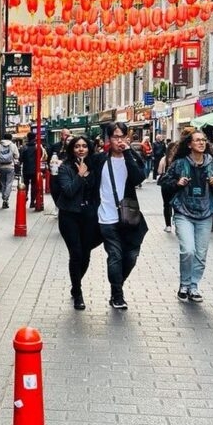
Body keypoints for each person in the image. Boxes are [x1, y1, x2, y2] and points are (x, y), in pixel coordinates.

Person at [93, 122, 148, 310]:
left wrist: (128, 154)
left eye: (122, 136)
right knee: (115, 255)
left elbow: (138, 178)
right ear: (109, 138)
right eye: (115, 137)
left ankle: (117, 286)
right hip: (106, 217)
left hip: (129, 216)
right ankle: (117, 295)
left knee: (131, 256)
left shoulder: (132, 157)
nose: (119, 140)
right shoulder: (99, 159)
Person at [164, 131, 213, 303]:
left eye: (204, 140)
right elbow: (165, 183)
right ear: (189, 144)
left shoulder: (212, 163)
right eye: (197, 140)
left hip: (205, 213)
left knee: (201, 253)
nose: (201, 143)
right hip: (184, 212)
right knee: (188, 249)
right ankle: (184, 284)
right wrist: (177, 183)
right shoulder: (180, 164)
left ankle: (194, 286)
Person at [56, 135, 102, 310]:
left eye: (84, 146)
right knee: (76, 253)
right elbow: (68, 191)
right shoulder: (65, 168)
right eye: (77, 146)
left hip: (89, 216)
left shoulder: (95, 167)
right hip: (69, 216)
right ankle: (78, 292)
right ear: (72, 149)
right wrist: (80, 176)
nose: (81, 149)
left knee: (86, 254)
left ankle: (76, 283)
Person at [20, 131, 47, 208]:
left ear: (28, 138)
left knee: (25, 185)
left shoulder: (23, 147)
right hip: (35, 169)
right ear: (35, 138)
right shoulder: (38, 147)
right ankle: (32, 202)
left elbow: (21, 159)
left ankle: (24, 199)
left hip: (25, 169)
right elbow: (41, 156)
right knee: (34, 186)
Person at [158, 140, 179, 232]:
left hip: (166, 185)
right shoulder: (178, 160)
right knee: (177, 205)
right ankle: (178, 225)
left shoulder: (164, 159)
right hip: (176, 184)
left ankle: (168, 225)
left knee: (166, 205)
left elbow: (159, 171)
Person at [0, 132, 20, 208]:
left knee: (3, 183)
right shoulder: (13, 145)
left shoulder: (0, 145)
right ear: (10, 138)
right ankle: (6, 199)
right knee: (9, 183)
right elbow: (17, 156)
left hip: (2, 167)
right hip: (10, 166)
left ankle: (4, 198)